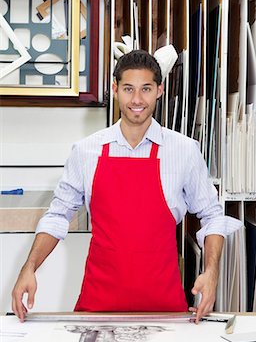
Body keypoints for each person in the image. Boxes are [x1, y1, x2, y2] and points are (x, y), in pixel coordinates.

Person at [11, 50, 242, 323]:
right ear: (115, 89)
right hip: (98, 306)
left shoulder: (184, 151)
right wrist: (29, 267)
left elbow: (212, 216)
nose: (136, 100)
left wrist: (211, 272)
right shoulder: (86, 151)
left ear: (159, 90)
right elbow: (57, 216)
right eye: (128, 89)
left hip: (165, 309)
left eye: (146, 89)